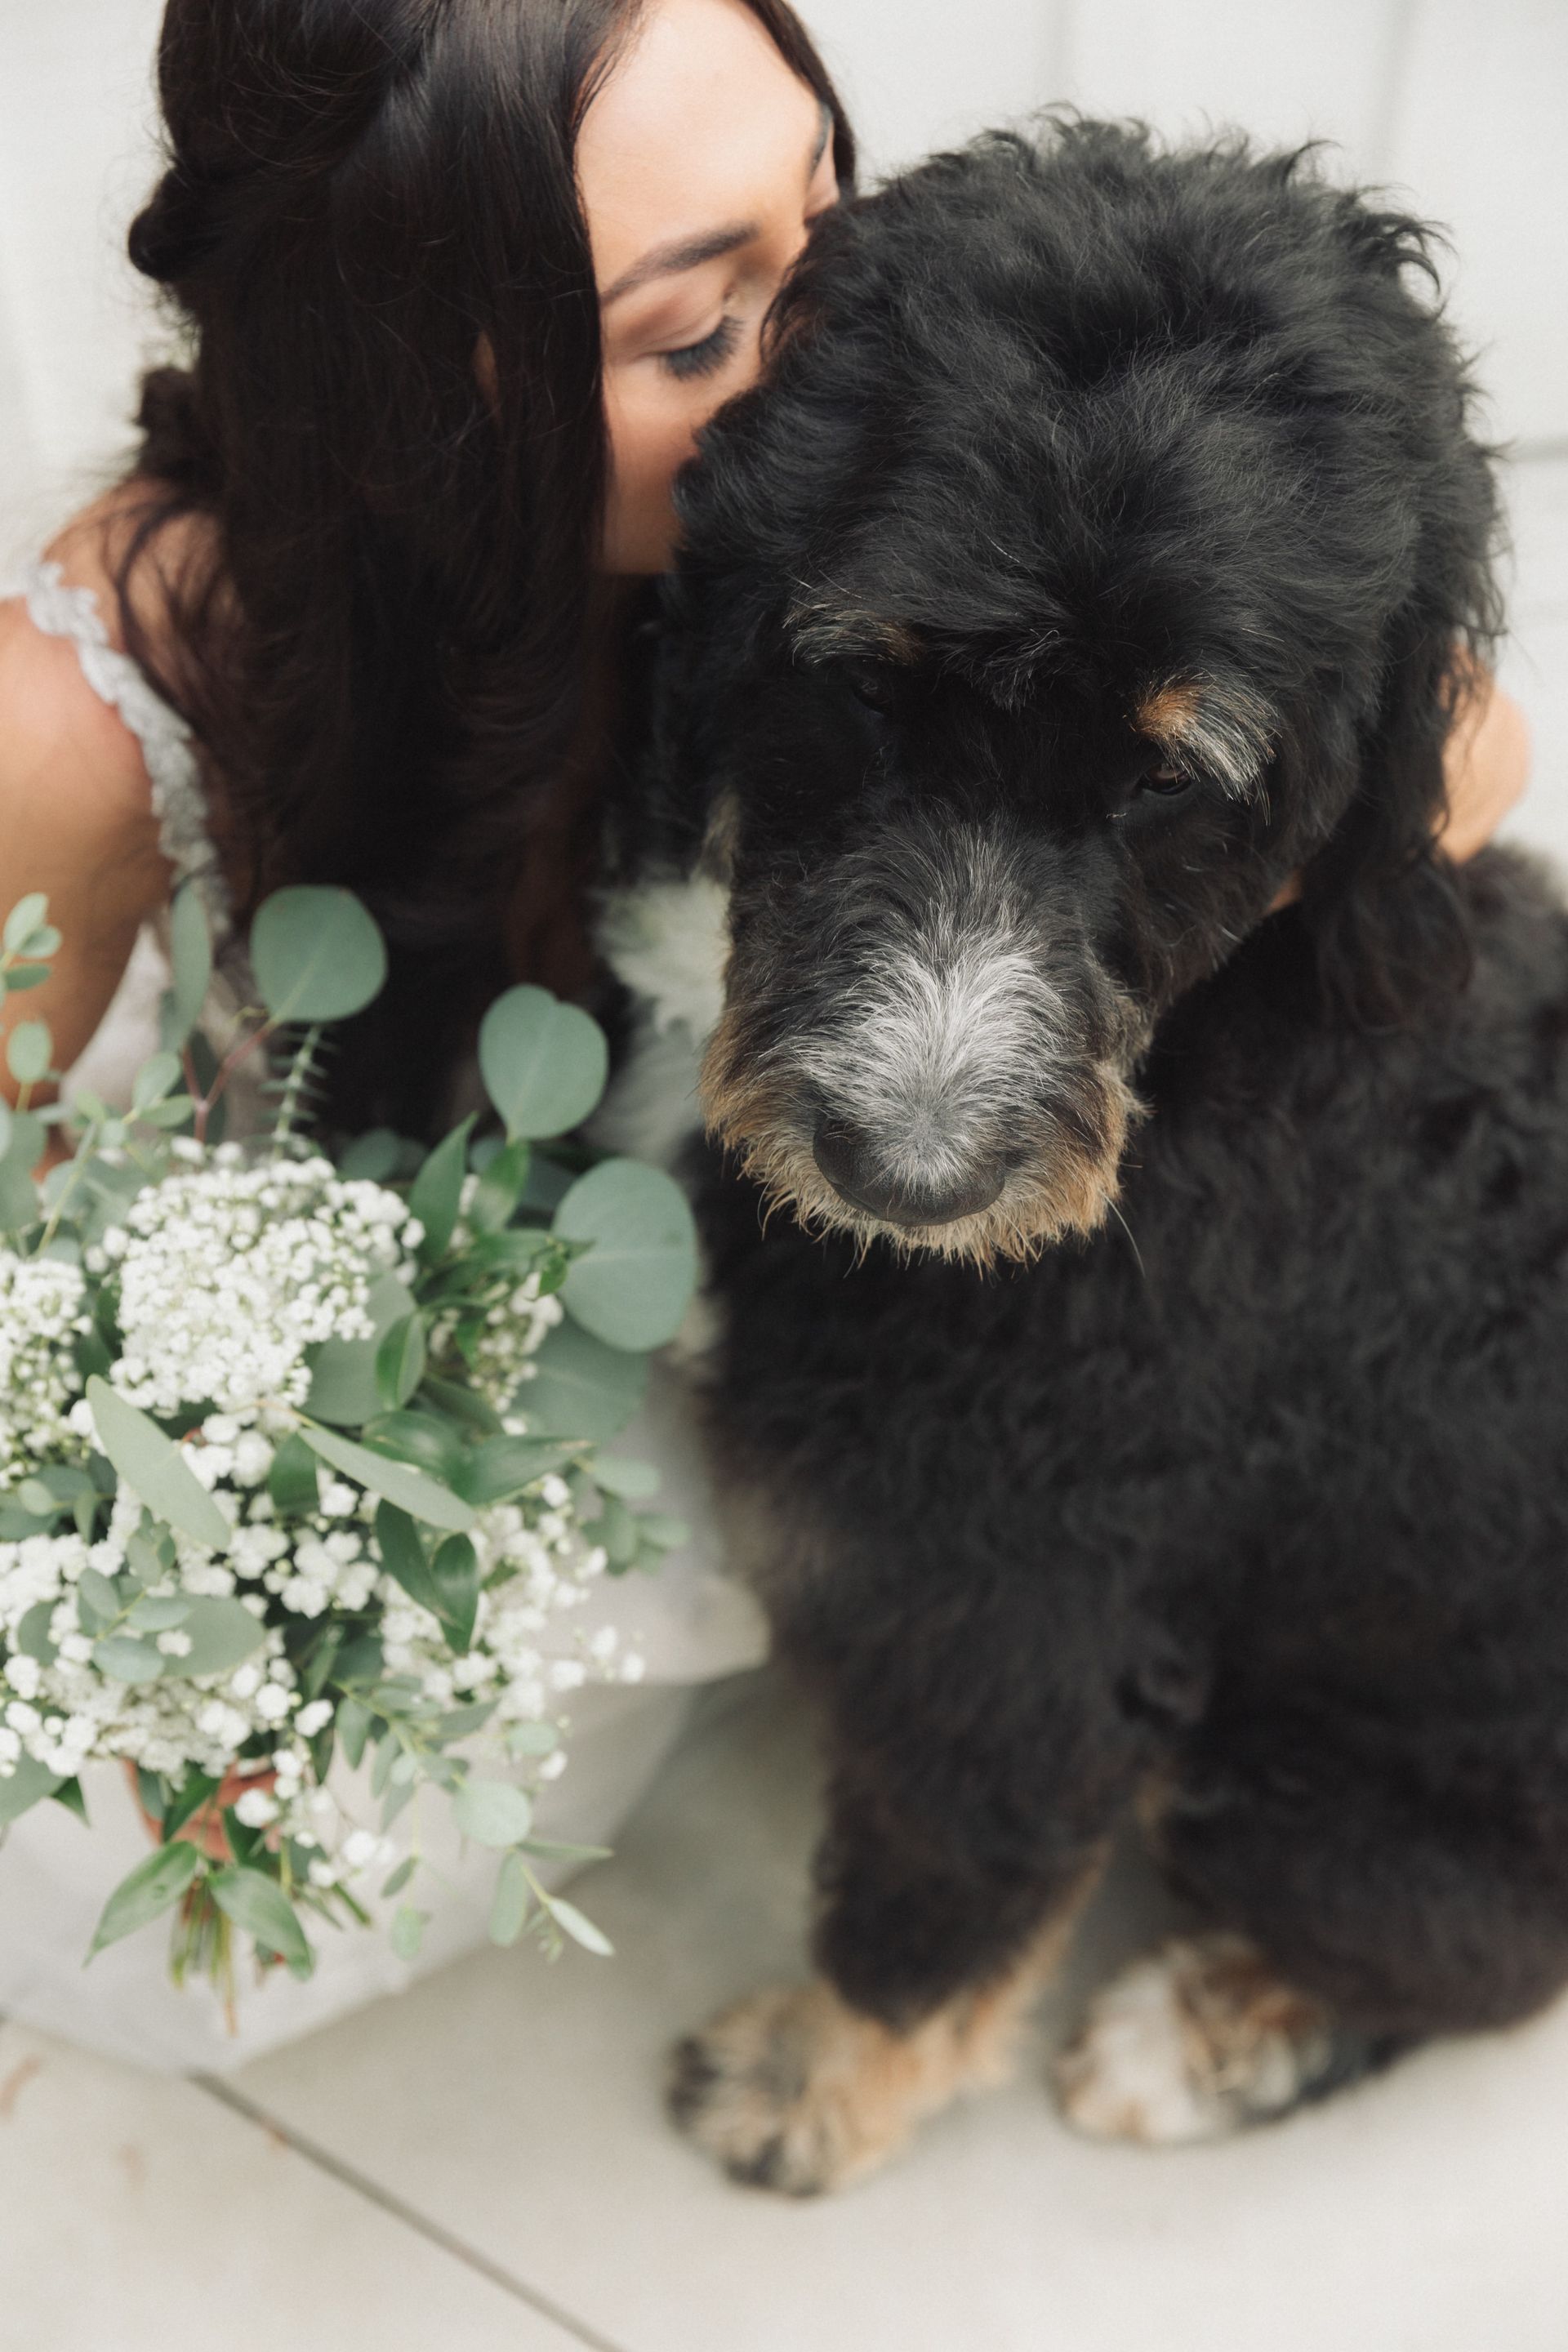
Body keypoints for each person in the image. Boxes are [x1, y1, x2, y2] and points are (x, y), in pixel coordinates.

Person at [0, 0, 1533, 1722]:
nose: (850, 336)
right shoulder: (83, 715)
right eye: (703, 325)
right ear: (404, 384)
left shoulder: (913, 470)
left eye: (826, 211)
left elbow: (1458, 749)